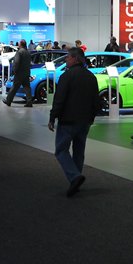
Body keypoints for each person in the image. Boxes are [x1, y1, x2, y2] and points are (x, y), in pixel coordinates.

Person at [49, 47, 99, 196]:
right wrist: (91, 118)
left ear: (75, 59)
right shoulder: (91, 77)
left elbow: (59, 99)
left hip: (68, 120)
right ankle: (75, 180)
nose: (66, 60)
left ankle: (74, 176)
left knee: (61, 150)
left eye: (68, 58)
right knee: (79, 151)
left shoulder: (66, 76)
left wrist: (53, 117)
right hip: (84, 121)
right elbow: (96, 101)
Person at [3, 39, 33, 107]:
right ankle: (29, 102)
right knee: (27, 87)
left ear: (21, 44)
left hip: (19, 73)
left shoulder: (19, 52)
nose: (18, 44)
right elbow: (30, 63)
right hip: (26, 73)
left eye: (19, 43)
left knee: (14, 87)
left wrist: (14, 71)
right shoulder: (28, 52)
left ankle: (8, 101)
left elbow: (16, 62)